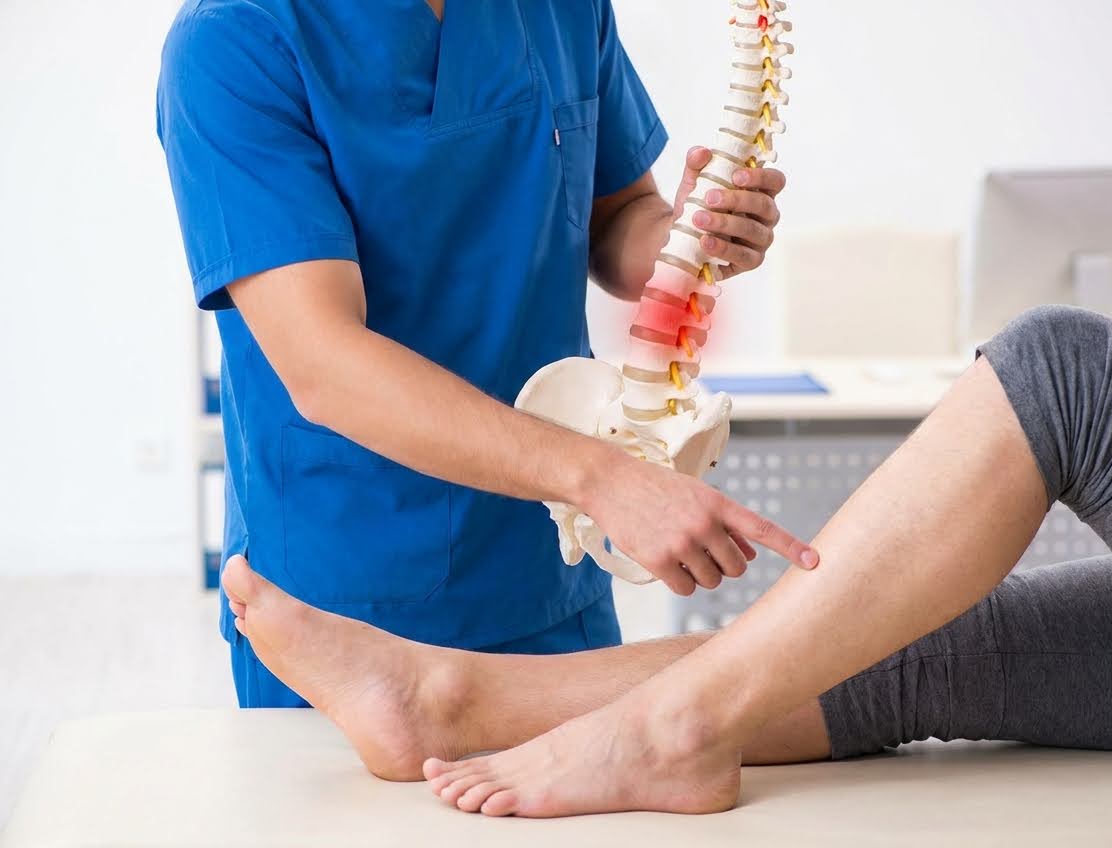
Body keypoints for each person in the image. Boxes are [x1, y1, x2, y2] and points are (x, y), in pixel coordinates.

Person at [222, 306, 1112, 816]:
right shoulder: (240, 39)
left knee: (1070, 374)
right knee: (926, 634)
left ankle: (678, 725)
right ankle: (454, 700)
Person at [156, 0, 817, 708]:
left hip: (549, 575)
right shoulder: (235, 42)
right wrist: (602, 479)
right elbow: (325, 365)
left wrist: (691, 240)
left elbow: (619, 219)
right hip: (350, 601)